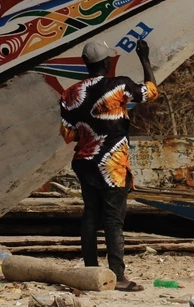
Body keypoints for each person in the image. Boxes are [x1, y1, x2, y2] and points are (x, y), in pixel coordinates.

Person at [59, 39, 158, 292]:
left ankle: (91, 272)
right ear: (107, 62)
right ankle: (118, 277)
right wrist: (144, 58)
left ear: (85, 64)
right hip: (112, 163)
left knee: (90, 216)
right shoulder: (119, 85)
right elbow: (150, 92)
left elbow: (68, 134)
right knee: (113, 221)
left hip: (84, 162)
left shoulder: (69, 94)